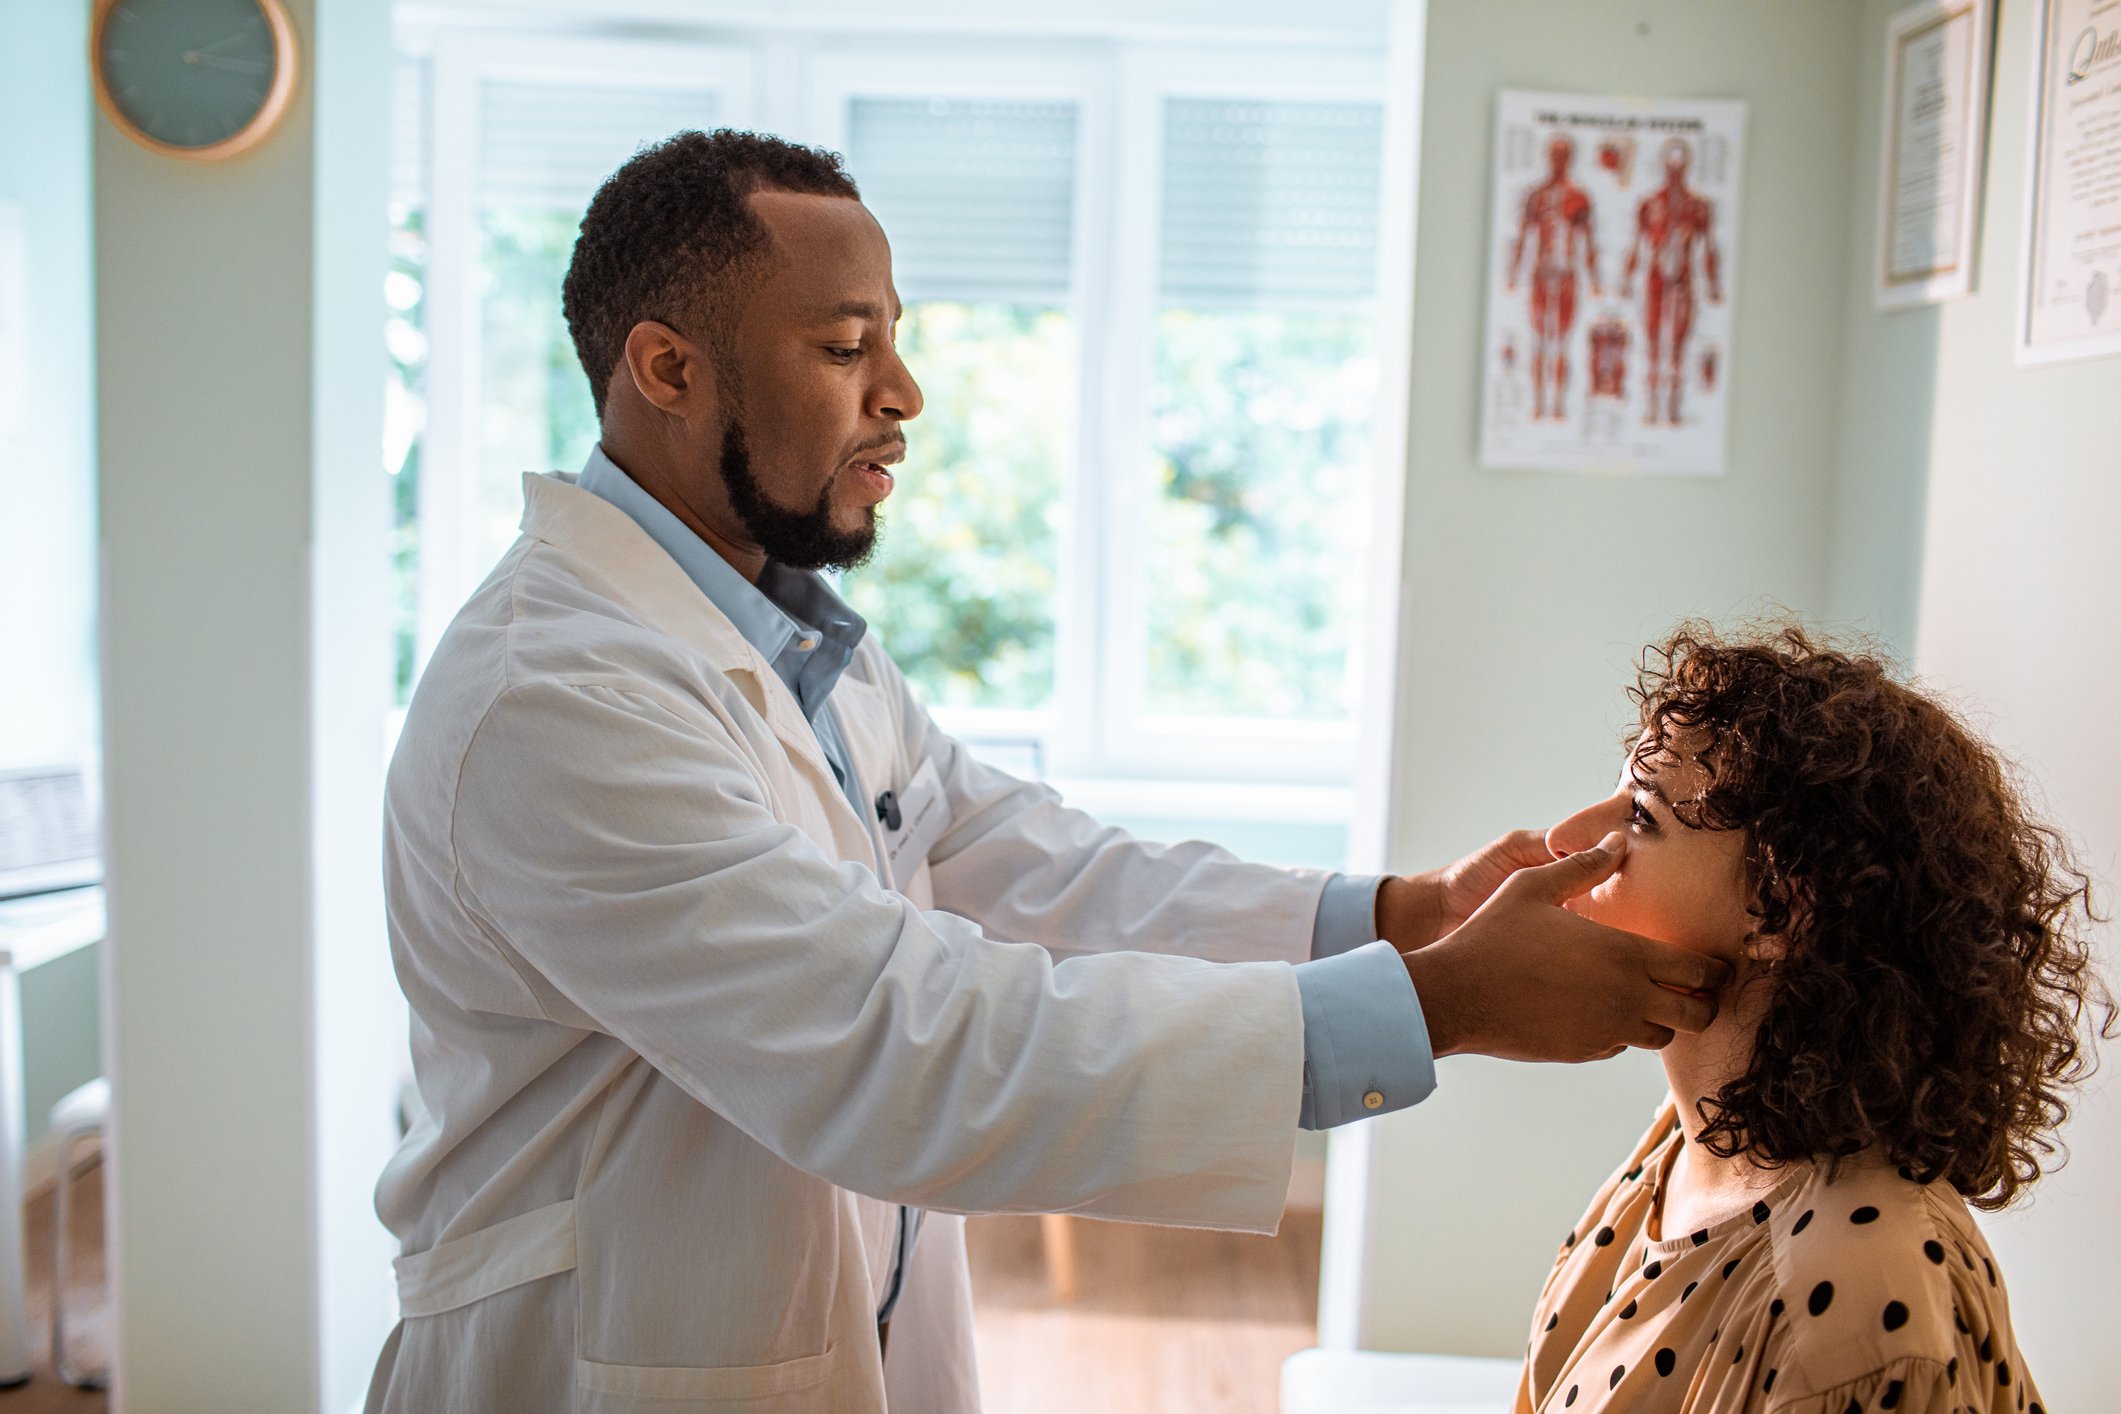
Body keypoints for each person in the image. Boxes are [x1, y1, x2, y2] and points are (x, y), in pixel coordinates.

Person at [364, 130, 1728, 1414]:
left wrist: (1394, 916)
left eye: (894, 339)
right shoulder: (553, 696)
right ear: (664, 370)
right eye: (845, 346)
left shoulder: (781, 632)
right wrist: (1428, 1005)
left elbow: (1025, 863)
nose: (902, 394)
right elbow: (901, 1044)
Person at [1518, 624, 2112, 1413]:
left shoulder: (1858, 1305)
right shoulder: (1693, 1131)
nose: (1567, 837)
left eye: (1640, 816)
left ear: (1781, 909)